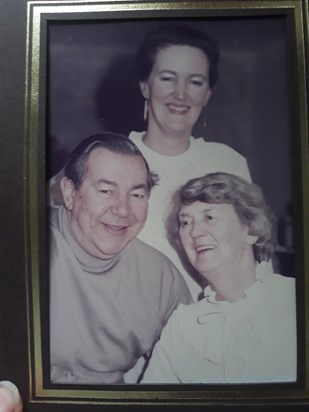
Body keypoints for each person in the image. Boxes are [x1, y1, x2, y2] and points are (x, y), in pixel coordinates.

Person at [49, 132, 192, 384]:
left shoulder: (160, 278)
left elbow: (192, 372)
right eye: (106, 190)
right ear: (70, 193)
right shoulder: (25, 243)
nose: (123, 210)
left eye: (137, 195)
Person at [129, 23, 252, 300]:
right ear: (145, 86)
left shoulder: (228, 164)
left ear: (207, 94)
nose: (180, 94)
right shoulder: (111, 156)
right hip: (127, 329)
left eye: (195, 81)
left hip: (208, 326)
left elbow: (249, 264)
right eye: (167, 78)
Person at [141, 172, 296, 383]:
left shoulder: (293, 300)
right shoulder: (183, 325)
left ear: (250, 230)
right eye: (185, 222)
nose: (194, 232)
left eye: (209, 217)